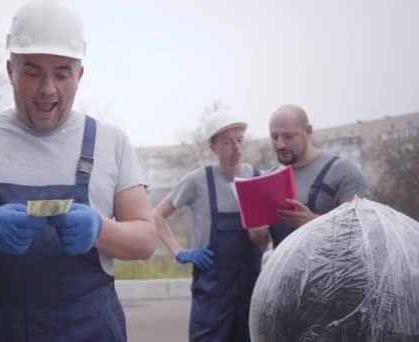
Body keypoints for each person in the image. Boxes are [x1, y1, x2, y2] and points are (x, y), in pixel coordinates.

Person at [0, 1, 156, 341]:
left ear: (80, 75)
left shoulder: (111, 143)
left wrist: (99, 230)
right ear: (10, 70)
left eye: (62, 73)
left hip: (85, 330)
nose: (47, 89)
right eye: (32, 72)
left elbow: (145, 240)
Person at [153, 113, 269, 342]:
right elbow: (156, 216)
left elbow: (267, 236)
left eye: (239, 140)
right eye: (227, 142)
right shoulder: (197, 181)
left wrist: (261, 235)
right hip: (212, 291)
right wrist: (179, 252)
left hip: (252, 288)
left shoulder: (258, 179)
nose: (236, 147)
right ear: (213, 147)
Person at [268, 104, 371, 248]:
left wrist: (314, 223)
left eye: (288, 136)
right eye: (274, 137)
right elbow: (263, 240)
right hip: (283, 270)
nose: (280, 144)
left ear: (308, 131)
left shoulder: (343, 171)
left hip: (334, 270)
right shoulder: (269, 180)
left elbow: (362, 230)